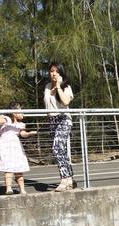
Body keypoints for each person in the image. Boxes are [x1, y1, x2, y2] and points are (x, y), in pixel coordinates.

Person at [0, 102, 36, 195]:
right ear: (14, 112)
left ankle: (22, 189)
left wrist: (29, 133)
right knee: (9, 167)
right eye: (20, 111)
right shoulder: (6, 119)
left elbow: (22, 134)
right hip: (6, 145)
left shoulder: (21, 124)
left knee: (19, 168)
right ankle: (9, 188)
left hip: (16, 146)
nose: (22, 113)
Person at [43, 62, 76, 192]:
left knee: (56, 148)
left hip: (63, 119)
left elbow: (66, 101)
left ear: (61, 73)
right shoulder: (46, 87)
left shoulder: (66, 86)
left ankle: (64, 179)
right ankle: (70, 179)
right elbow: (47, 107)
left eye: (57, 71)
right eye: (52, 71)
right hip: (52, 120)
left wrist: (58, 87)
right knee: (60, 150)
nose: (54, 73)